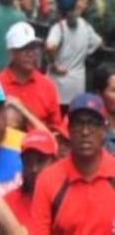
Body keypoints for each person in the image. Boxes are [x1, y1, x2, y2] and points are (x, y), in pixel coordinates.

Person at [31, 93, 115, 233]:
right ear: (69, 130)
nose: (85, 131)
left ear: (103, 131)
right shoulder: (48, 179)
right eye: (78, 123)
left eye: (93, 123)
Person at [0, 22, 61, 131]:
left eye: (33, 48)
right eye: (24, 49)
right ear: (12, 53)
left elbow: (56, 129)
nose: (31, 54)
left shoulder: (47, 85)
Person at [45, 0, 102, 109]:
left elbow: (50, 47)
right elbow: (99, 43)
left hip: (58, 89)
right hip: (77, 88)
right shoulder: (85, 25)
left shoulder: (59, 27)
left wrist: (54, 65)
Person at [3, 130, 57, 232]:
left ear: (54, 161)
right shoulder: (8, 203)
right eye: (28, 161)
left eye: (40, 161)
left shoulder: (66, 198)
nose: (34, 168)